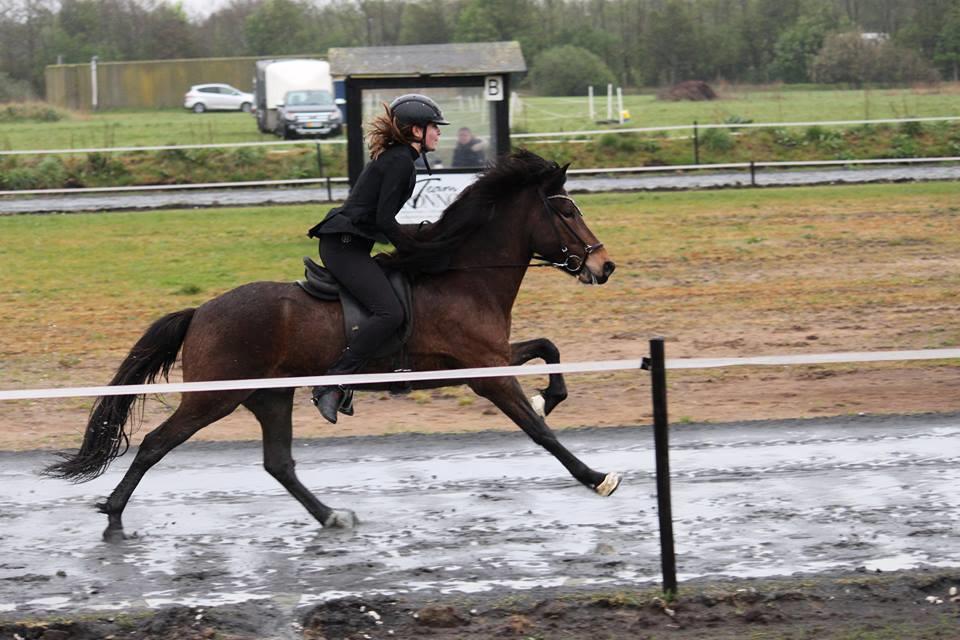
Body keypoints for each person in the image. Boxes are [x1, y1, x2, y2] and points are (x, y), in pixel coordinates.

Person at [305, 94, 448, 424]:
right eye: (434, 127)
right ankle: (333, 383)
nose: (439, 132)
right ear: (416, 131)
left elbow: (384, 220)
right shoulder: (400, 162)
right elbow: (384, 220)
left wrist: (419, 241)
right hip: (344, 248)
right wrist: (412, 249)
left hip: (350, 245)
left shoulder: (401, 159)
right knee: (390, 312)